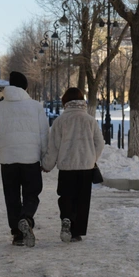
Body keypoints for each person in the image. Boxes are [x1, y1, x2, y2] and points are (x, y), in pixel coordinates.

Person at [0, 71, 49, 247]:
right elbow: (44, 134)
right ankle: (26, 218)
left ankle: (17, 235)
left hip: (8, 160)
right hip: (30, 159)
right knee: (32, 192)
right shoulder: (36, 106)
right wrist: (44, 155)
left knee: (12, 196)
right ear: (25, 87)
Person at [42, 88, 105, 243]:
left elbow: (54, 147)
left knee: (66, 196)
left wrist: (47, 165)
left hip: (66, 167)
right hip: (86, 168)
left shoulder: (60, 121)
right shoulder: (90, 120)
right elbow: (100, 143)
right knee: (82, 200)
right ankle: (76, 232)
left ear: (65, 102)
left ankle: (66, 219)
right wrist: (91, 158)